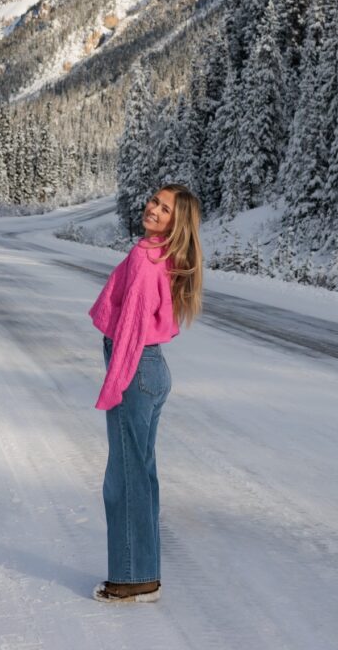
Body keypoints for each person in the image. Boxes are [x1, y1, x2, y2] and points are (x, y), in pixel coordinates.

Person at [88, 183, 203, 604]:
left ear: (177, 222)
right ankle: (143, 573)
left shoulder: (144, 257)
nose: (153, 208)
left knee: (123, 479)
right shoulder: (167, 256)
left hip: (134, 369)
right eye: (154, 201)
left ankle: (132, 579)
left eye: (164, 208)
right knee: (142, 474)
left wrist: (113, 384)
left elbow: (131, 329)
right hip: (152, 370)